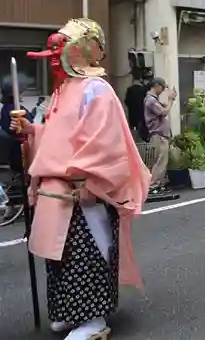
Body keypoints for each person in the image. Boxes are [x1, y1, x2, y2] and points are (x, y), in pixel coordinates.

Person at [11, 18, 149, 340]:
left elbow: (106, 140)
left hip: (82, 189)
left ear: (82, 51)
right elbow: (58, 136)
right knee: (58, 255)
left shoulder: (96, 89)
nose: (57, 59)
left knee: (85, 254)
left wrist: (86, 179)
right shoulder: (64, 91)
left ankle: (93, 319)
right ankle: (69, 313)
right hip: (57, 189)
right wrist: (33, 132)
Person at [144, 77, 176, 194]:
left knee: (160, 160)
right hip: (159, 135)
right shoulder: (150, 100)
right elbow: (163, 112)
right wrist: (171, 100)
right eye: (162, 87)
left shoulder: (153, 100)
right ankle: (153, 186)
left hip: (159, 134)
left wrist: (169, 98)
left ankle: (158, 184)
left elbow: (163, 106)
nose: (162, 90)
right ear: (156, 86)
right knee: (160, 161)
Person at [124, 69, 152, 140]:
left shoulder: (130, 90)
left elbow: (126, 102)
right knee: (145, 139)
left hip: (133, 118)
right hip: (144, 119)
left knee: (135, 139)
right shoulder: (146, 90)